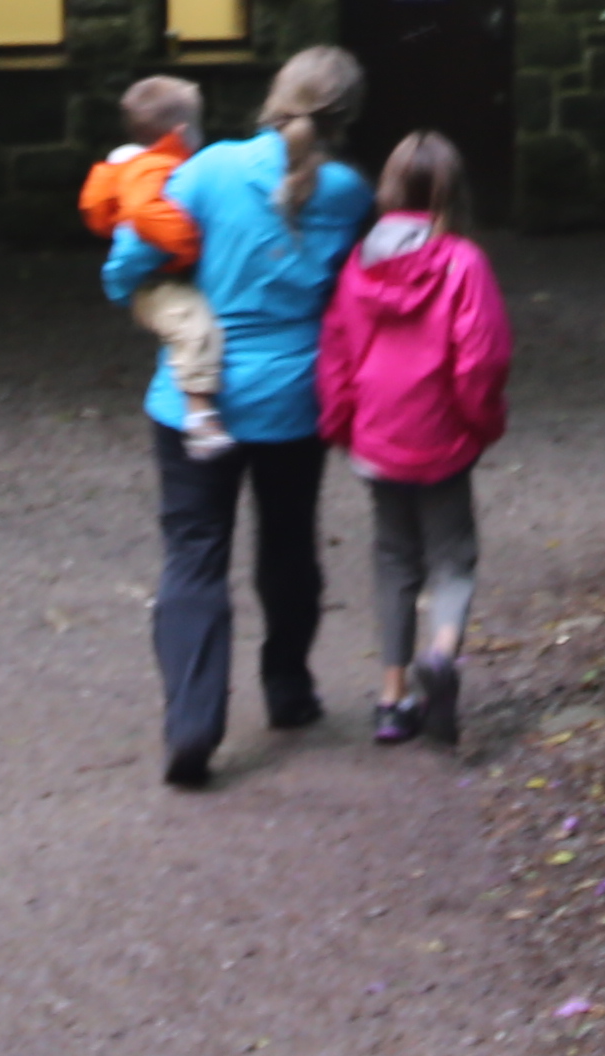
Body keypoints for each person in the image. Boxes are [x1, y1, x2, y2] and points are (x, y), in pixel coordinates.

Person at [104, 39, 373, 787]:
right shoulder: (349, 192)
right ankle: (288, 689)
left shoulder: (207, 169)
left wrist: (154, 284)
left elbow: (127, 262)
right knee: (288, 546)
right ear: (347, 117)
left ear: (274, 96)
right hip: (293, 401)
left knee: (194, 553)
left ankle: (192, 724)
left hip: (195, 398)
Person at [320, 124, 516, 746]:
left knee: (393, 559)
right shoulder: (464, 262)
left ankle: (391, 695)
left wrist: (343, 424)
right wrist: (479, 422)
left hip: (378, 433)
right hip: (441, 435)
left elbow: (339, 352)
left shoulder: (361, 263)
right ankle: (442, 650)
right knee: (452, 557)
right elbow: (479, 358)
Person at [80, 73, 229, 452]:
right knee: (197, 331)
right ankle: (199, 417)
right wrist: (189, 242)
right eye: (197, 127)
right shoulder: (153, 167)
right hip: (155, 283)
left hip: (156, 279)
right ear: (180, 131)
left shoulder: (141, 162)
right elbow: (144, 213)